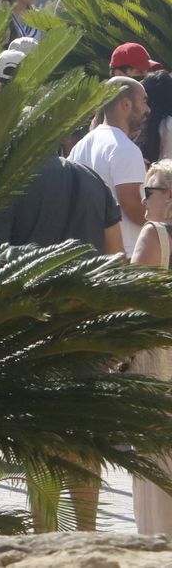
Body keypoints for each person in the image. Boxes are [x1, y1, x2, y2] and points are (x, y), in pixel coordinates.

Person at [131, 159, 172, 535]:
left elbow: (128, 303)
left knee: (155, 478)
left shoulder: (154, 235)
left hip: (157, 376)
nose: (143, 200)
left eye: (150, 191)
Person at [69, 77, 151, 255]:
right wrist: (161, 227)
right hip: (126, 254)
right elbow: (132, 206)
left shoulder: (80, 146)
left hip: (90, 253)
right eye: (144, 102)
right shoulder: (125, 149)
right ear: (126, 104)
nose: (148, 110)